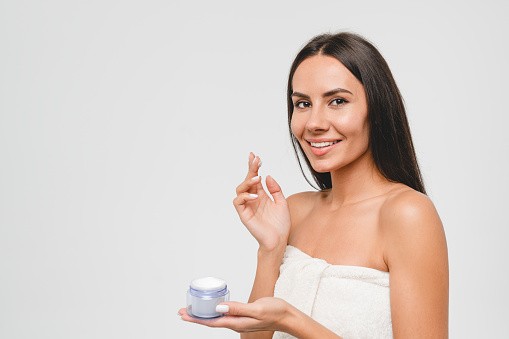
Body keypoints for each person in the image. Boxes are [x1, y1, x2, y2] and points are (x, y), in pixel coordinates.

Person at [178, 32, 449, 338]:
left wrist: (292, 320)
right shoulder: (296, 210)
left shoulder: (408, 215)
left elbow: (285, 320)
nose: (314, 123)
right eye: (303, 103)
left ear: (377, 108)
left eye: (337, 101)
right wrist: (270, 249)